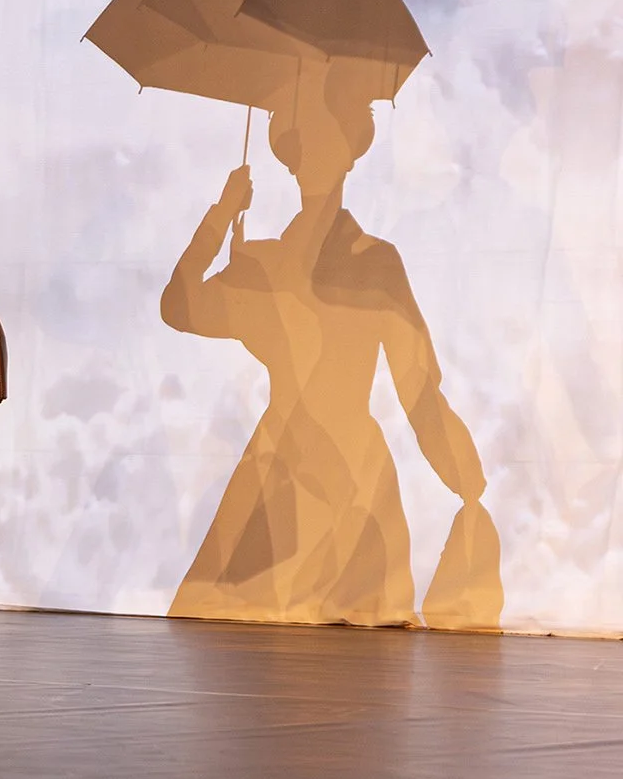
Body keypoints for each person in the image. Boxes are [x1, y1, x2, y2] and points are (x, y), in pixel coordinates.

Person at [161, 58, 501, 629]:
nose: (310, 156)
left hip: (352, 488)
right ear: (289, 155)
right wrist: (221, 216)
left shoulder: (375, 263)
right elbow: (179, 306)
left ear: (351, 147)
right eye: (301, 140)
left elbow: (419, 389)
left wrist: (466, 484)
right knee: (235, 663)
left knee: (357, 674)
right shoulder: (263, 264)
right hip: (276, 481)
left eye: (325, 135)